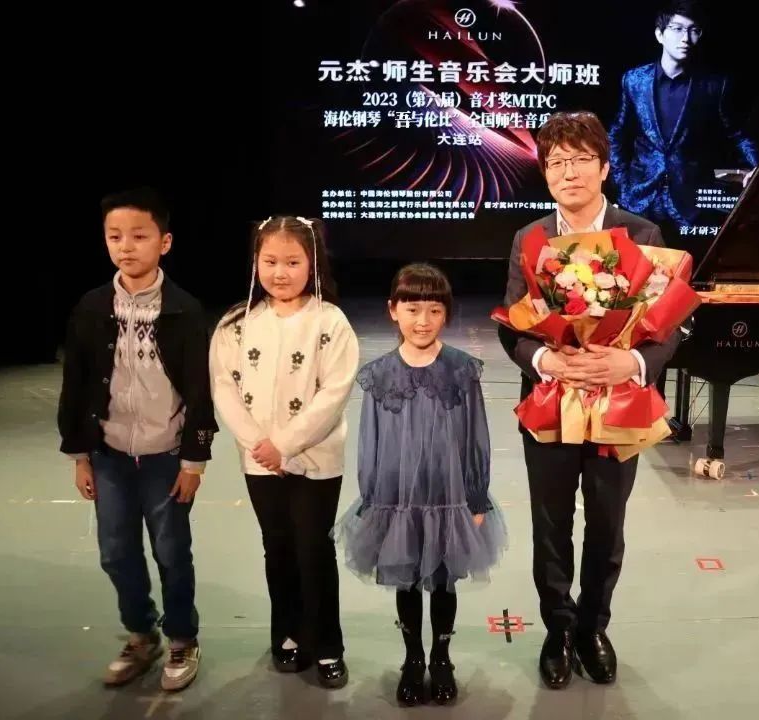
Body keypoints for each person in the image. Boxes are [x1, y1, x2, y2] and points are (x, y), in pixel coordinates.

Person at [498, 111, 681, 689]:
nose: (569, 172)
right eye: (557, 162)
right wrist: (546, 360)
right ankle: (558, 629)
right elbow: (513, 327)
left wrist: (632, 363)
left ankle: (592, 628)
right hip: (549, 405)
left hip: (617, 406)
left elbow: (666, 326)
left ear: (604, 168)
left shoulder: (642, 235)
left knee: (607, 522)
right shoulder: (529, 239)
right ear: (545, 173)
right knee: (550, 525)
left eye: (581, 160)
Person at [57, 187, 217, 691]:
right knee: (115, 552)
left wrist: (194, 461)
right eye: (114, 236)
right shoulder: (91, 307)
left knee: (172, 553)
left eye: (139, 236)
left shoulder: (185, 310)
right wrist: (80, 455)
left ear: (164, 242)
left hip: (166, 457)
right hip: (109, 456)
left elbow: (201, 390)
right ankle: (141, 634)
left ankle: (183, 637)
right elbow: (75, 384)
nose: (126, 246)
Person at [333, 263, 507, 706]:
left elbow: (476, 436)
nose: (423, 321)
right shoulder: (379, 374)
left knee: (445, 581)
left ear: (446, 313)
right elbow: (370, 440)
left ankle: (441, 659)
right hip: (397, 499)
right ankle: (413, 659)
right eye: (412, 309)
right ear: (393, 311)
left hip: (449, 497)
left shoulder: (461, 370)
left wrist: (476, 494)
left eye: (434, 310)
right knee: (406, 580)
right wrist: (372, 498)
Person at [209, 216, 359, 687]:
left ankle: (327, 644)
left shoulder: (330, 322)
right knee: (277, 547)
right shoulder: (236, 324)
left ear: (312, 263)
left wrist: (286, 444)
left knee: (314, 549)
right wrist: (259, 445)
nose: (280, 272)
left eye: (293, 262)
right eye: (270, 261)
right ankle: (288, 635)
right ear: (255, 263)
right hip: (259, 461)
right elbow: (223, 387)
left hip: (317, 461)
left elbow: (334, 392)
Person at [608, 0, 759, 235]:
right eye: (677, 29)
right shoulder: (634, 80)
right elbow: (617, 133)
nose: (686, 38)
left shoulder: (714, 85)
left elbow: (737, 134)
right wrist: (621, 183)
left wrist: (757, 169)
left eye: (693, 30)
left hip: (691, 202)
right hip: (640, 197)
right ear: (659, 35)